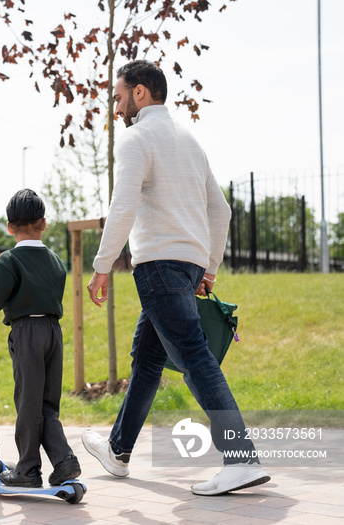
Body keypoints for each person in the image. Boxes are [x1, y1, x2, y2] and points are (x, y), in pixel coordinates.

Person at [82, 60, 270, 496]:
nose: (117, 106)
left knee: (192, 355)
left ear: (141, 93)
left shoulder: (136, 139)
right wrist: (208, 268)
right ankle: (118, 450)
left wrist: (102, 266)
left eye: (119, 96)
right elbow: (220, 210)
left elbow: (123, 206)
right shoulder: (189, 140)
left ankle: (240, 457)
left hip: (158, 266)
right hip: (186, 267)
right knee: (147, 357)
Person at [0, 189, 81, 488]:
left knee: (28, 403)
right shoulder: (55, 261)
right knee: (47, 404)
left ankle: (27, 471)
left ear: (10, 227)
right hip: (53, 331)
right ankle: (64, 462)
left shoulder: (8, 261)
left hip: (27, 334)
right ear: (44, 223)